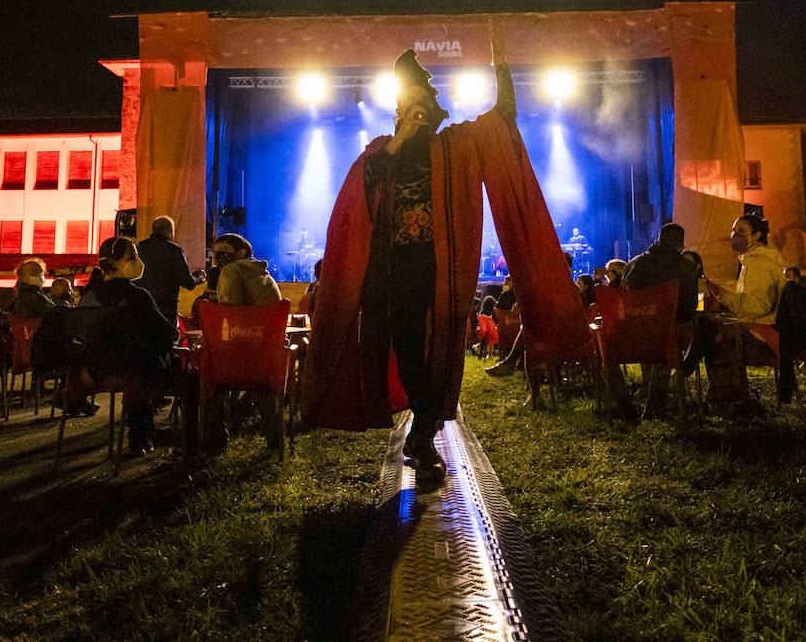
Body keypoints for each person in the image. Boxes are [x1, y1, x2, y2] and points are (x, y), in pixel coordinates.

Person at [303, 25, 587, 490]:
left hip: (442, 271)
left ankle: (424, 435)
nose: (411, 111)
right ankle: (423, 436)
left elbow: (503, 119)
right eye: (403, 105)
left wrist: (501, 63)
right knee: (413, 350)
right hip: (396, 273)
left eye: (418, 103)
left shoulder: (454, 146)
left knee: (441, 354)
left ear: (432, 108)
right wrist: (398, 140)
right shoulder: (382, 151)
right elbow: (364, 183)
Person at [78, 237, 178, 455]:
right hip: (133, 371)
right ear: (114, 263)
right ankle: (188, 440)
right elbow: (168, 333)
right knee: (187, 377)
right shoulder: (136, 296)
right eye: (133, 257)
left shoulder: (88, 297)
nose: (139, 261)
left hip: (95, 371)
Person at [675, 214, 784, 406]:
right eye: (733, 230)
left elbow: (757, 307)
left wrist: (723, 295)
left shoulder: (760, 262)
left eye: (741, 231)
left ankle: (695, 382)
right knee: (708, 324)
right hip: (759, 326)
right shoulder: (751, 260)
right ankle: (717, 391)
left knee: (710, 328)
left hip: (764, 333)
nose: (734, 235)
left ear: (757, 235)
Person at [203, 233, 283, 450]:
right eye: (216, 252)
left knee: (207, 375)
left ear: (241, 252)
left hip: (238, 358)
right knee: (261, 387)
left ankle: (213, 443)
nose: (218, 256)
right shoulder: (264, 275)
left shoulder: (231, 271)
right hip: (266, 359)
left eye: (223, 251)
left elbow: (229, 313)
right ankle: (275, 438)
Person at [620, 223, 699, 416]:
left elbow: (621, 297)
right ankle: (655, 407)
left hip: (629, 336)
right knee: (666, 332)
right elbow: (688, 310)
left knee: (654, 330)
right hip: (665, 338)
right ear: (681, 246)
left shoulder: (633, 264)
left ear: (658, 240)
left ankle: (624, 405)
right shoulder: (686, 268)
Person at [137, 215, 195, 326]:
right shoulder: (174, 250)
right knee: (166, 339)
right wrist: (198, 279)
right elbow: (188, 283)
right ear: (169, 232)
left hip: (142, 306)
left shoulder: (140, 247)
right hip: (165, 308)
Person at [211, 233, 281, 307]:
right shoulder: (259, 271)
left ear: (241, 252)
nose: (217, 254)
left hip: (250, 317)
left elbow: (229, 306)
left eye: (223, 248)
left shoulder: (232, 269)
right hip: (272, 317)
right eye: (215, 251)